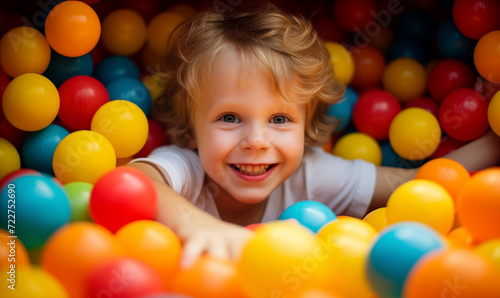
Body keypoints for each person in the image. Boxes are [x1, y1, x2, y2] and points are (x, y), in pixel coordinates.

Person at [127, 2, 500, 268]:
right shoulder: (189, 170)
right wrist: (198, 226)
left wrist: (494, 139)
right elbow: (137, 182)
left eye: (279, 119)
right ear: (192, 130)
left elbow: (421, 184)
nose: (256, 141)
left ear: (306, 129)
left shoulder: (312, 172)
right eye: (229, 117)